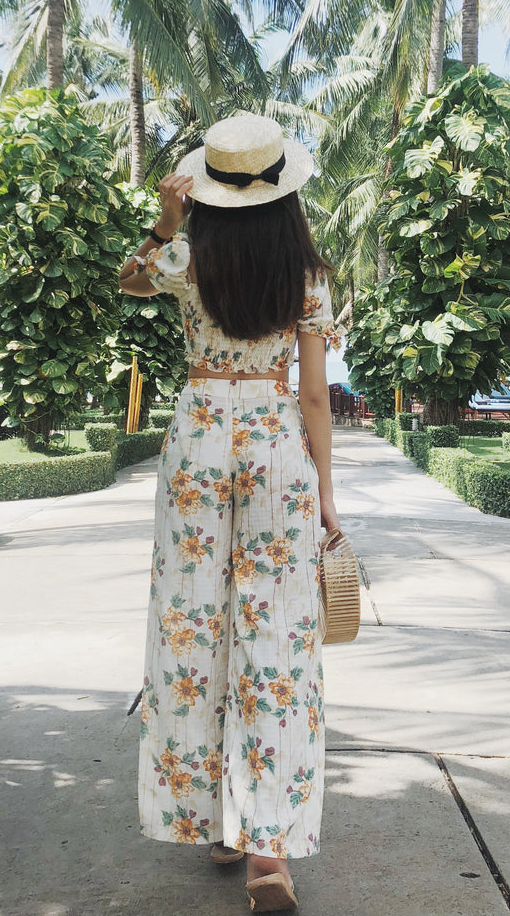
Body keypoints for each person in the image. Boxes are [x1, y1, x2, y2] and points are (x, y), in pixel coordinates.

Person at [118, 113, 341, 913]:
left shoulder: (185, 258)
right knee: (277, 637)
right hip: (276, 441)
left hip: (201, 433)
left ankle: (212, 817)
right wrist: (327, 495)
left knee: (193, 625)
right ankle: (267, 850)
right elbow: (313, 393)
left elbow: (130, 277)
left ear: (208, 191)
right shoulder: (309, 275)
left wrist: (166, 221)